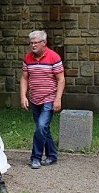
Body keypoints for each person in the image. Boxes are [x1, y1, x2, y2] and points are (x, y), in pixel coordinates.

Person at [20, 30, 65, 169]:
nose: (33, 45)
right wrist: (23, 96)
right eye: (31, 43)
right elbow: (24, 78)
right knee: (44, 129)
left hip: (49, 99)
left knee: (41, 127)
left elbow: (61, 79)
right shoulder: (28, 58)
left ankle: (35, 158)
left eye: (35, 43)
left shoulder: (54, 57)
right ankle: (52, 156)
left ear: (44, 43)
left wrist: (58, 99)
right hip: (34, 99)